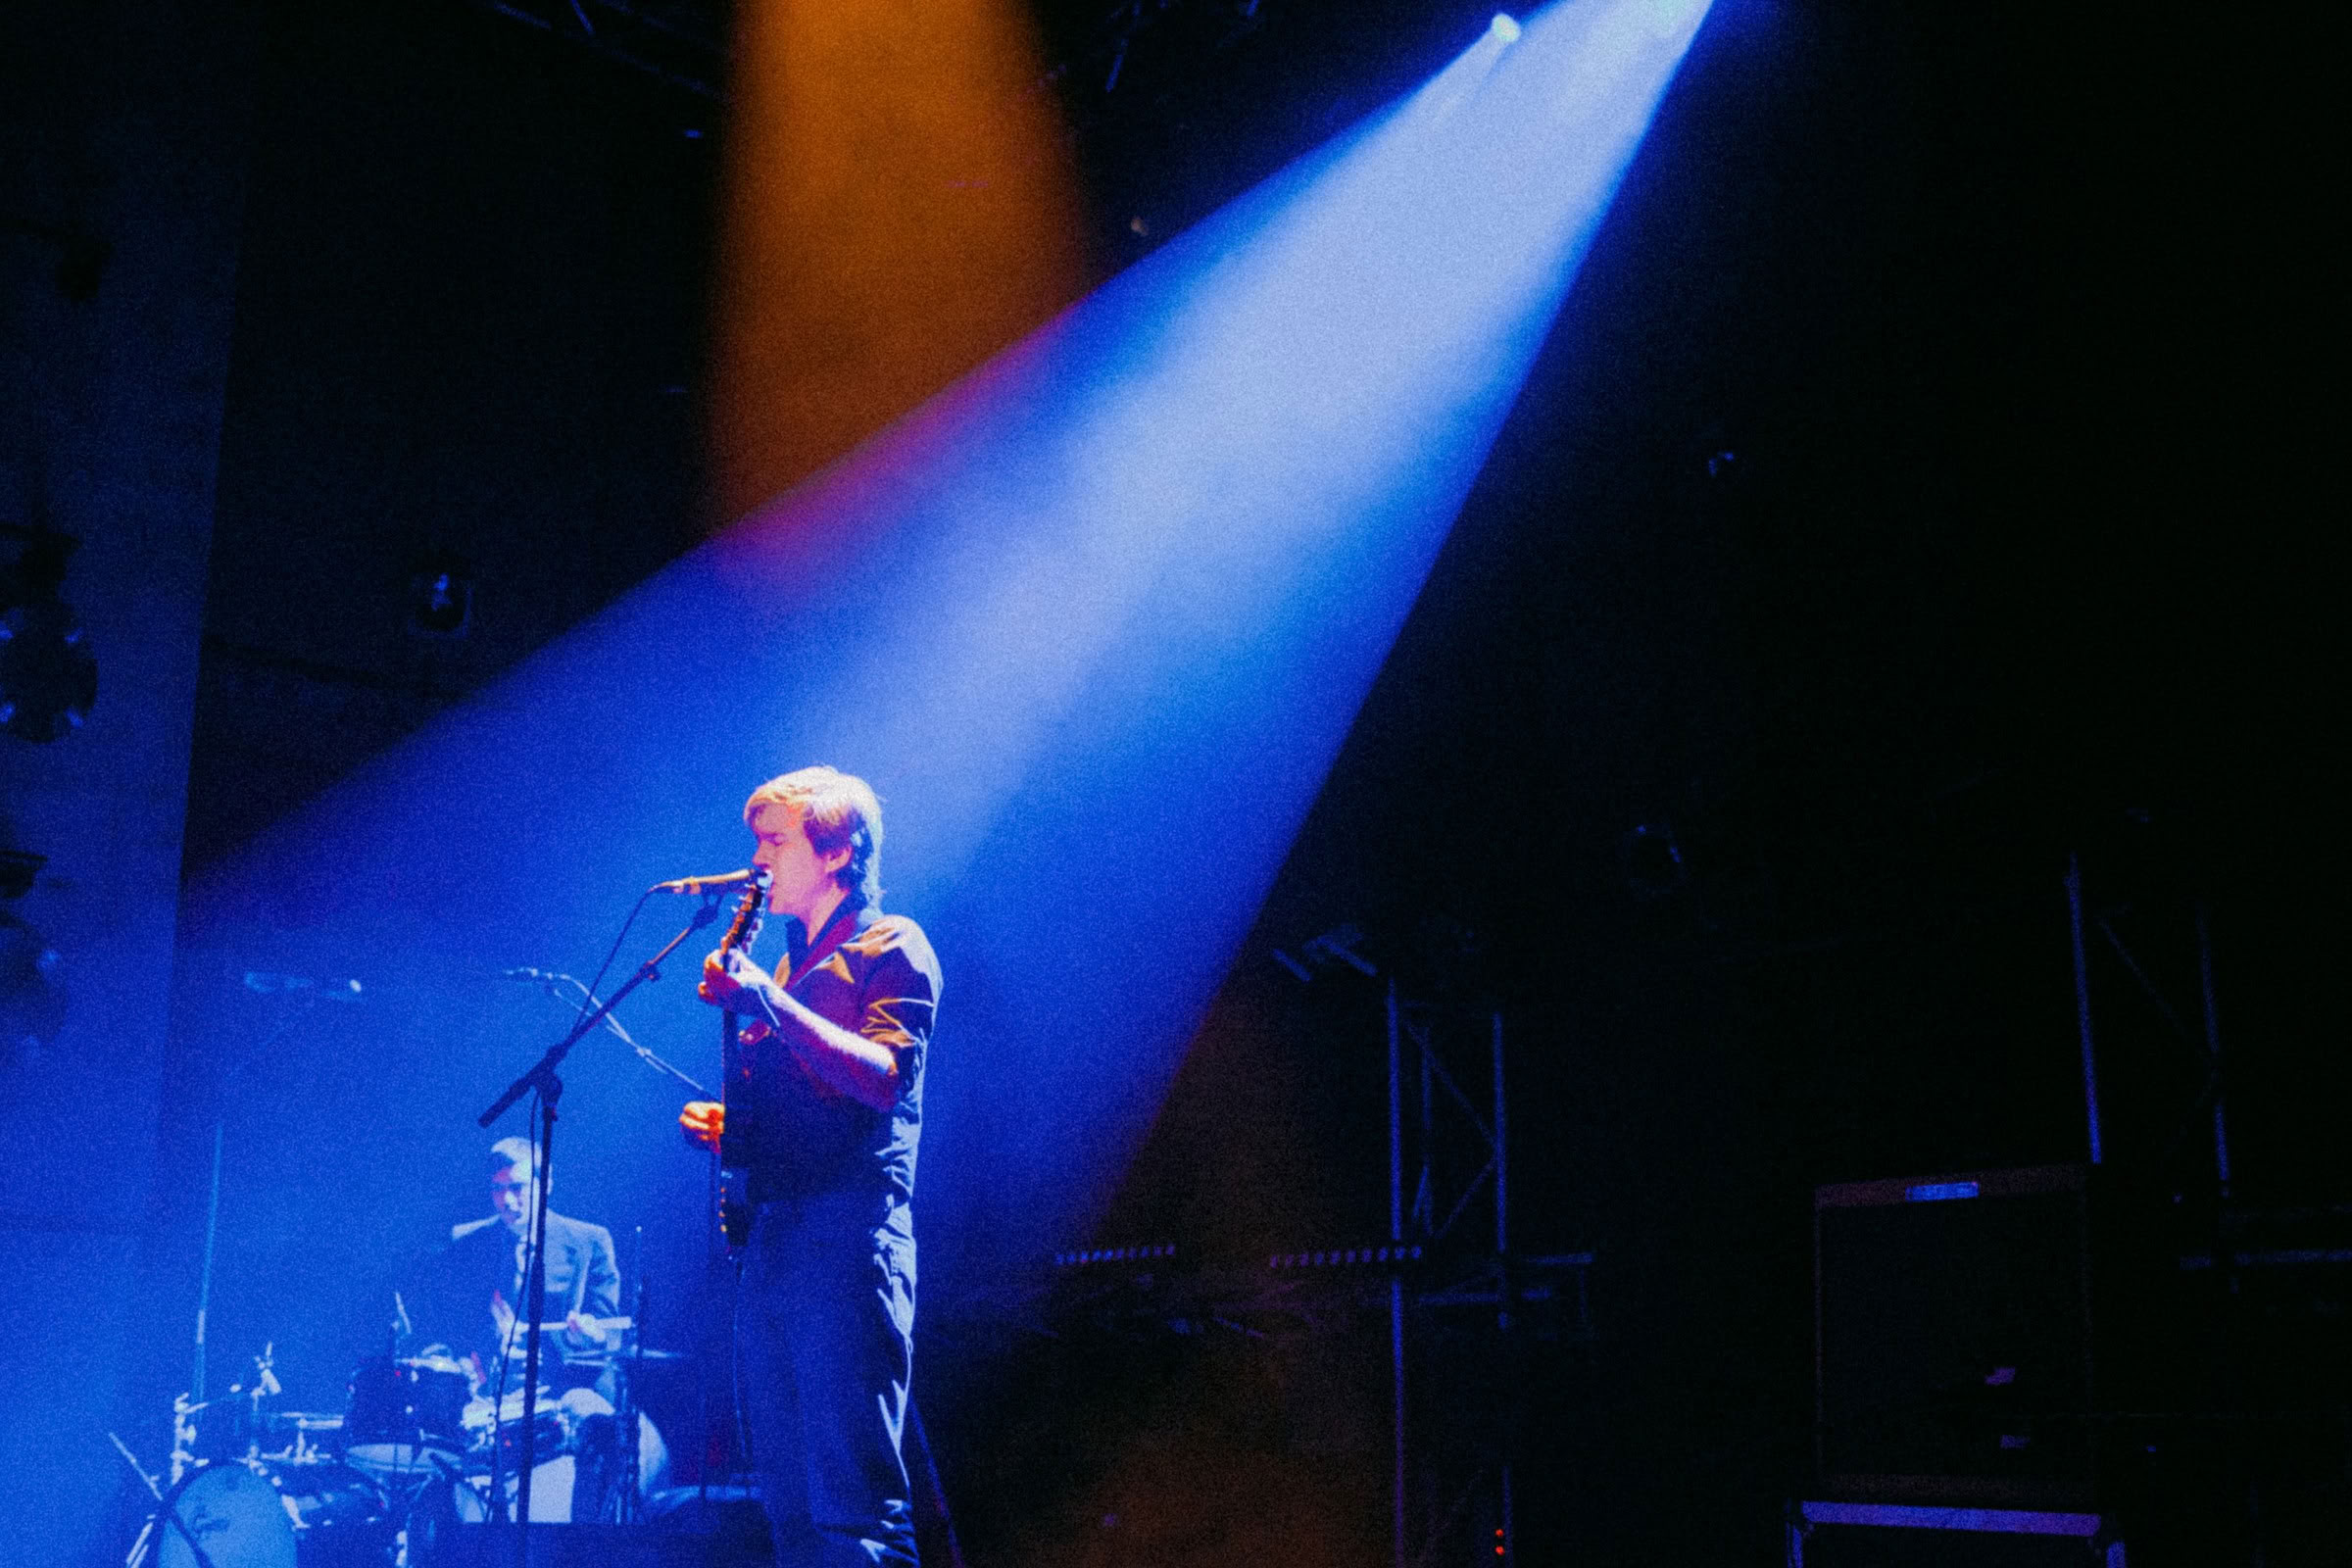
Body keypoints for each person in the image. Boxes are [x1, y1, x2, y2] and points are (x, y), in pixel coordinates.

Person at [681, 764, 940, 1568]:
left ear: (837, 851)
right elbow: (815, 1102)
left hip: (847, 1238)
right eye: (756, 840)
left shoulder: (891, 945)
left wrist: (768, 1001)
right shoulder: (792, 965)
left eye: (775, 840)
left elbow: (885, 1077)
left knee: (852, 1513)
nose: (757, 858)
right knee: (790, 1511)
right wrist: (737, 1130)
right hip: (779, 1242)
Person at [414, 1136, 625, 1519]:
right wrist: (457, 1362)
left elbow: (610, 1334)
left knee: (597, 1422)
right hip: (487, 1394)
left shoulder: (589, 1241)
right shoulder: (466, 1244)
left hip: (561, 1388)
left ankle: (587, 1543)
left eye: (517, 1188)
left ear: (546, 1184)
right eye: (498, 1189)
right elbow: (443, 1330)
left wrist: (587, 1336)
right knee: (425, 1437)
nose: (507, 1201)